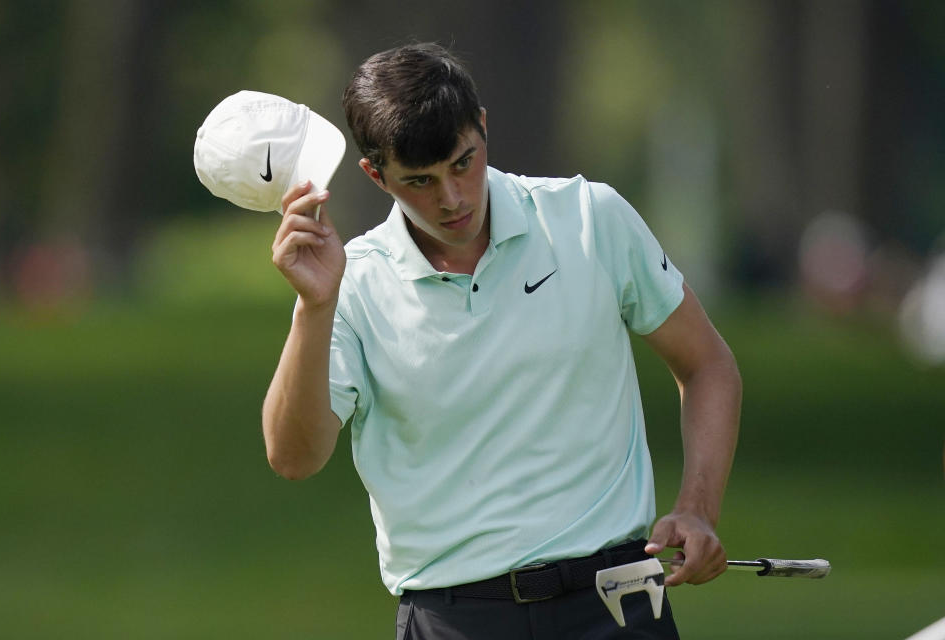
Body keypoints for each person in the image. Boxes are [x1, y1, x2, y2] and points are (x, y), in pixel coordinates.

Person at [262, 42, 741, 639]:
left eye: (463, 162)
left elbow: (707, 365)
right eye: (420, 180)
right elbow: (294, 457)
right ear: (374, 174)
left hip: (616, 605)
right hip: (453, 619)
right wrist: (315, 305)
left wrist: (698, 507)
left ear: (482, 125)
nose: (452, 198)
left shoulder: (591, 218)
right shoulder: (352, 282)